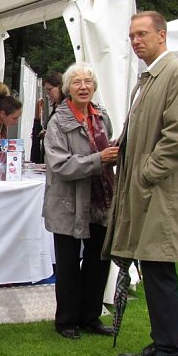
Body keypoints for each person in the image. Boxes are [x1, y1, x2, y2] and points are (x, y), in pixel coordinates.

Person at [105, 11, 178, 356]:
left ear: (161, 36)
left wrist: (148, 171)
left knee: (159, 267)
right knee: (151, 267)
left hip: (163, 192)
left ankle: (170, 353)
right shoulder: (149, 78)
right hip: (150, 191)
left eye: (142, 34)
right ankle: (161, 342)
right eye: (132, 36)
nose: (136, 41)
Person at [42, 63, 119, 339]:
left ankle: (90, 316)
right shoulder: (58, 122)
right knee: (68, 265)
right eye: (77, 82)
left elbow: (106, 148)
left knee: (99, 262)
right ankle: (66, 320)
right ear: (67, 89)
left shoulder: (102, 117)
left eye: (88, 81)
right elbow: (60, 165)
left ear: (94, 87)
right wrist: (100, 159)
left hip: (100, 202)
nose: (83, 86)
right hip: (67, 204)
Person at [30, 71, 65, 163]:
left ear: (60, 87)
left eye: (50, 89)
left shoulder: (66, 110)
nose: (48, 94)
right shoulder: (57, 108)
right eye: (46, 90)